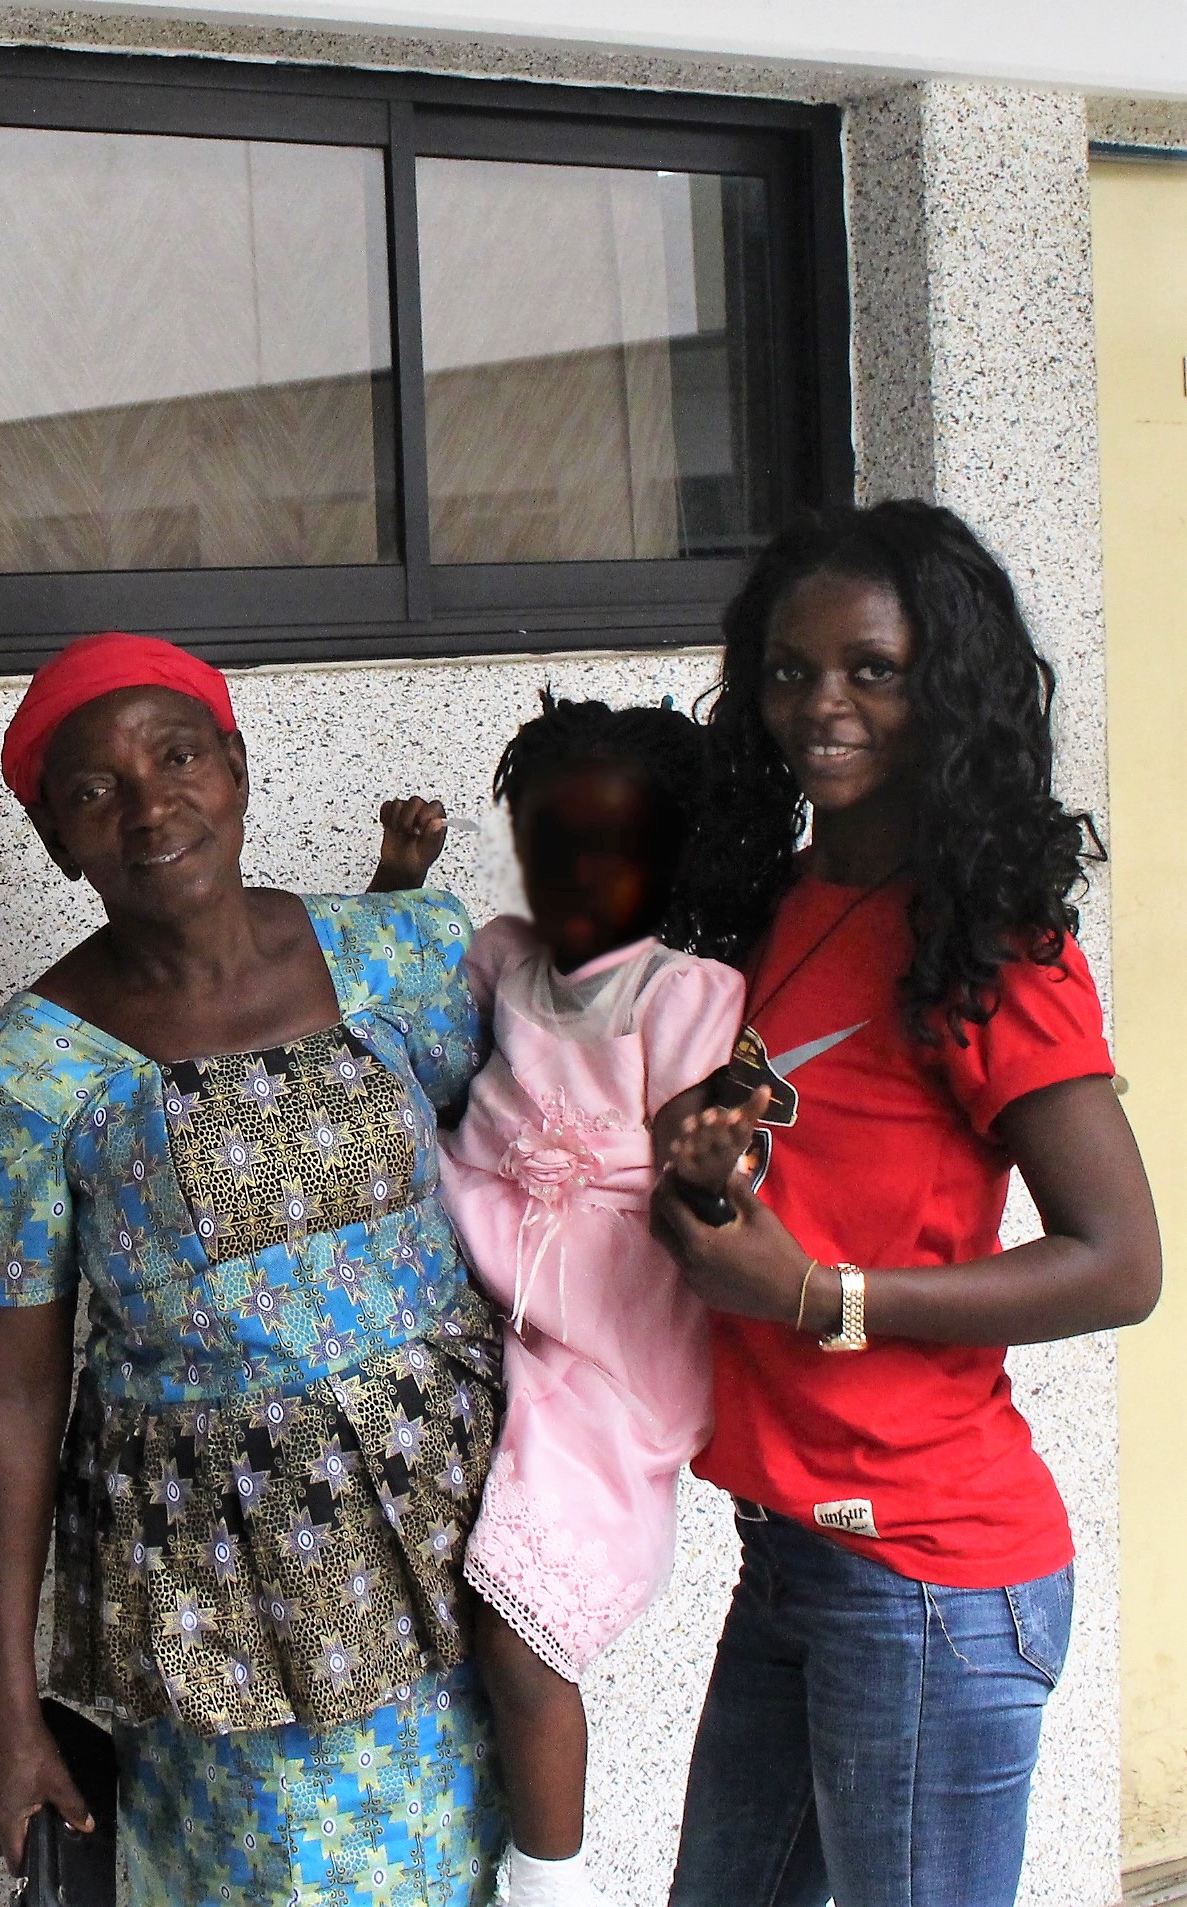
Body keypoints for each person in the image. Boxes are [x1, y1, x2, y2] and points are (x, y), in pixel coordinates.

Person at [0, 633, 510, 1906]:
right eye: (93, 791)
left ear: (236, 767)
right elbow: (13, 1387)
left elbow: (506, 1186)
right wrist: (1, 1698)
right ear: (55, 837)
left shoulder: (401, 961)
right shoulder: (32, 1076)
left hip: (459, 1549)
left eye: (178, 757)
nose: (148, 805)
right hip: (223, 1593)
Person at [650, 500, 1162, 1907]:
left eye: (870, 669)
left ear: (944, 686)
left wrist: (819, 1296)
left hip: (926, 1572)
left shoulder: (984, 938)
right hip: (792, 1547)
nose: (820, 705)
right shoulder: (787, 892)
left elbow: (1118, 1262)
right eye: (787, 668)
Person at [371, 697, 746, 1907]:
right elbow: (402, 1019)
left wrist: (711, 1157)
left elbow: (708, 1149)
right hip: (470, 1265)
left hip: (607, 1338)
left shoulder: (685, 993)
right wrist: (396, 879)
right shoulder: (500, 954)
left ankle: (553, 1882)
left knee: (525, 1627)